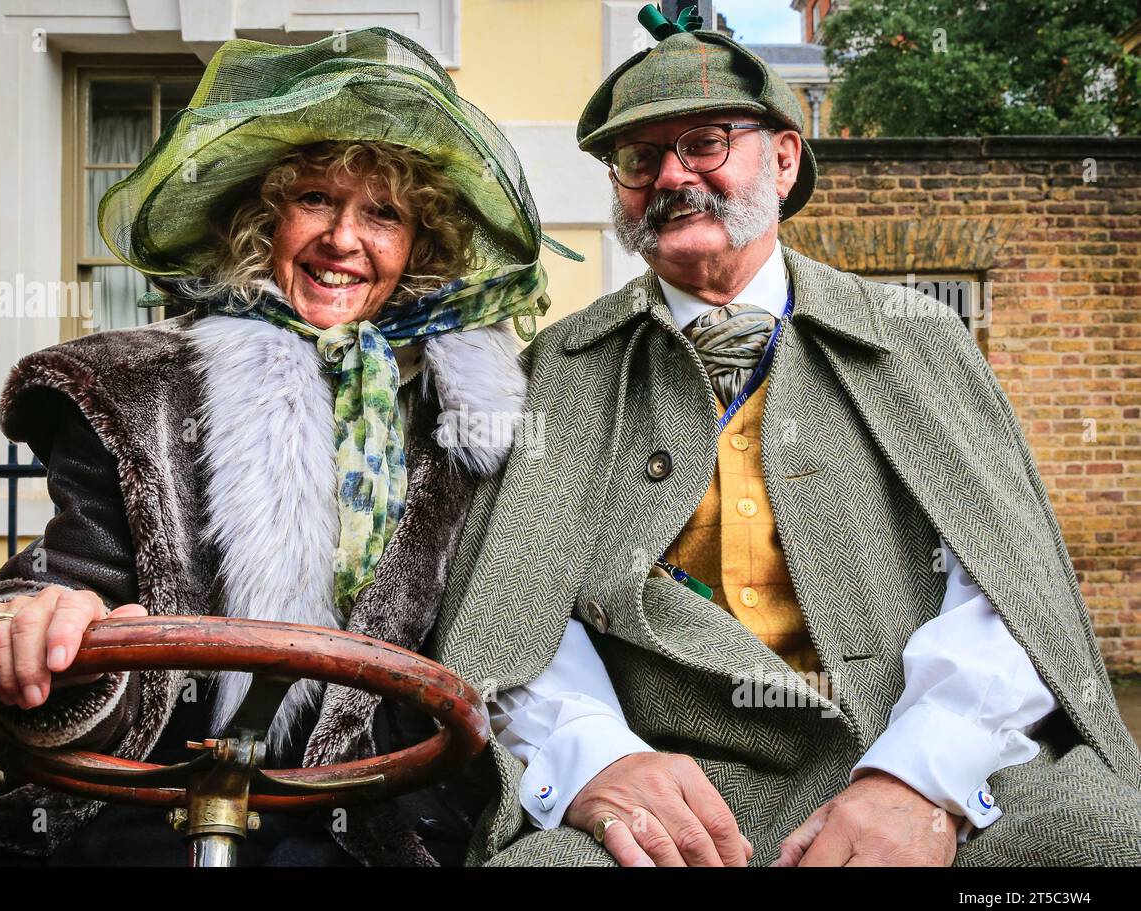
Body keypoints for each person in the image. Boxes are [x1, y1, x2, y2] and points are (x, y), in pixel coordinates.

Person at [429, 9, 1141, 867]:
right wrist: (600, 757)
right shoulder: (559, 368)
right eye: (638, 158)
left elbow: (1004, 588)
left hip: (932, 751)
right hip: (677, 789)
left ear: (785, 156)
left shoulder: (918, 335)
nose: (669, 177)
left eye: (703, 143)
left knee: (1098, 846)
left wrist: (917, 778)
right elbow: (511, 611)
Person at [0, 27, 573, 867]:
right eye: (315, 200)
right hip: (155, 791)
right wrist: (47, 629)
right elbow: (69, 588)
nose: (344, 240)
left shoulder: (473, 425)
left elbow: (517, 643)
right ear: (261, 218)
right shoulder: (138, 391)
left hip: (374, 806)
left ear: (417, 249)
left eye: (382, 214)